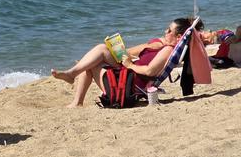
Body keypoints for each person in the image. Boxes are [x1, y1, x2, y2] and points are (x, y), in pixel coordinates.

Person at [51, 18, 197, 108]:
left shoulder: (168, 50)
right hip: (126, 72)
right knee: (97, 55)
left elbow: (149, 72)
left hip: (128, 86)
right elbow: (131, 52)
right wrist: (137, 49)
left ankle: (73, 81)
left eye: (169, 30)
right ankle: (75, 88)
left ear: (178, 37)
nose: (165, 31)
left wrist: (130, 65)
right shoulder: (160, 43)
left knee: (94, 58)